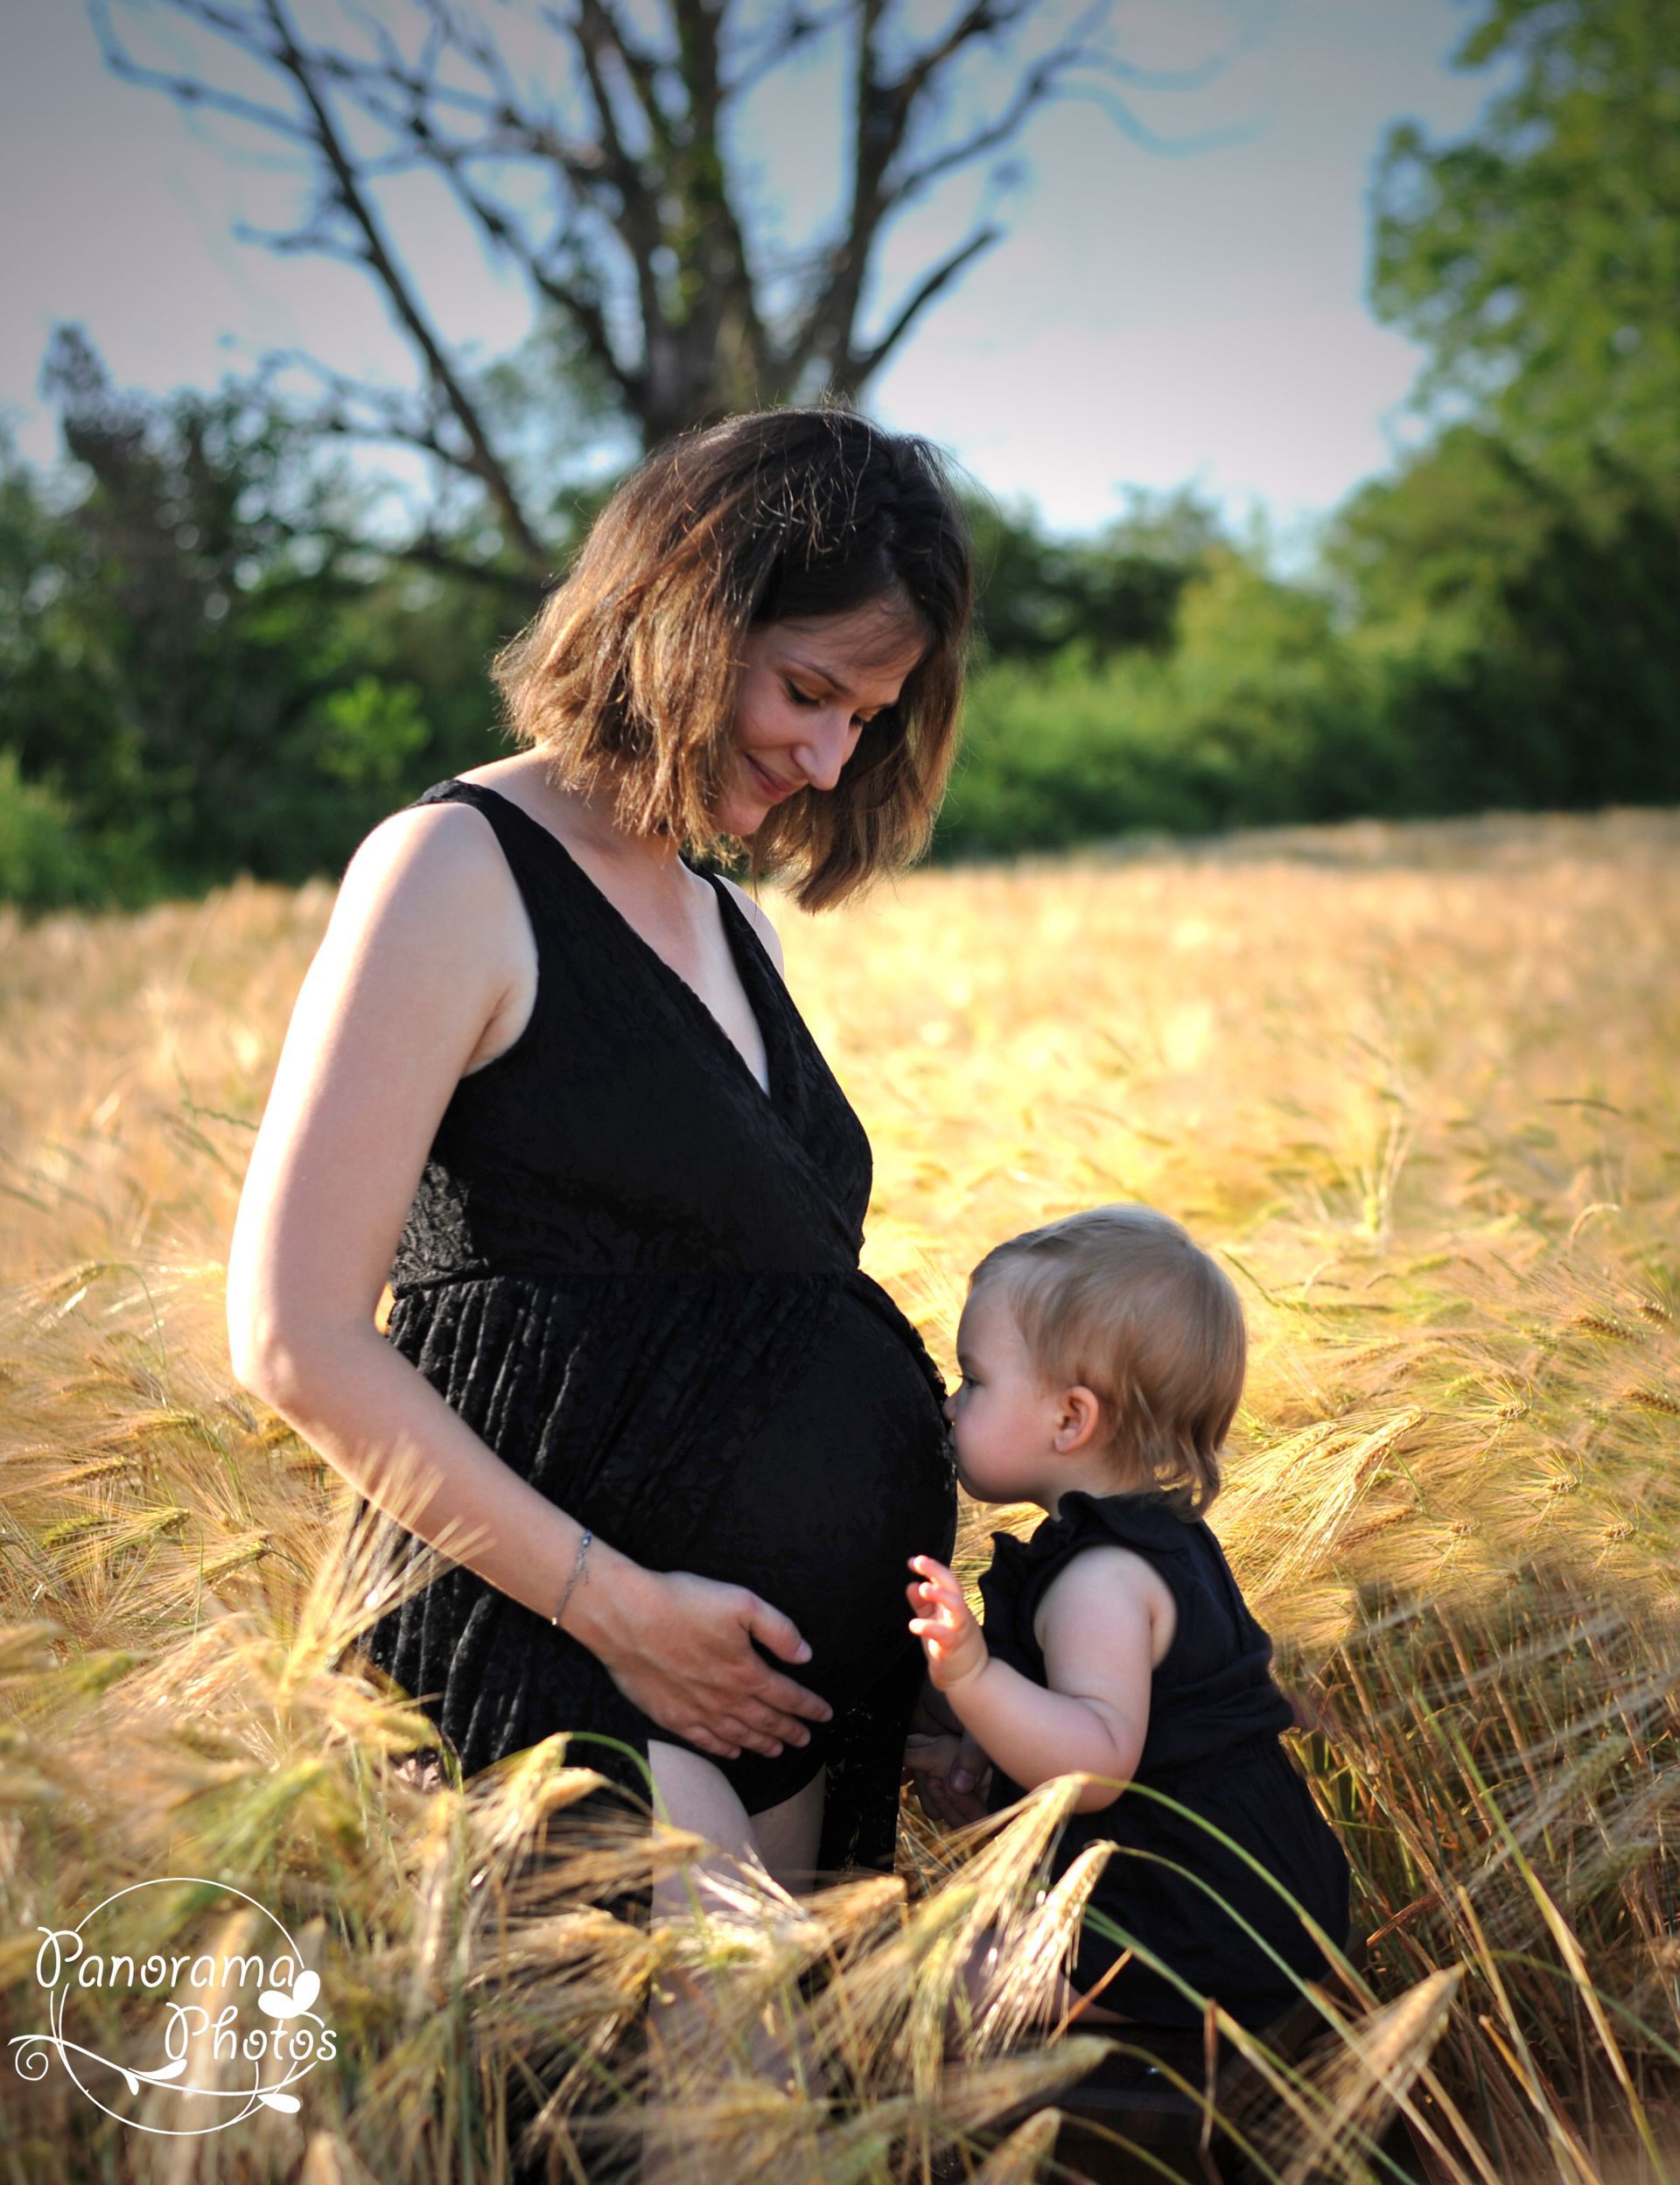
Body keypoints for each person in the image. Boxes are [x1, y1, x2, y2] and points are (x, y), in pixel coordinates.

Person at [226, 406, 971, 1899]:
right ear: (685, 616)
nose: (830, 757)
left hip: (778, 1698)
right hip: (562, 1658)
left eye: (868, 719)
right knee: (722, 2040)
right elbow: (292, 1334)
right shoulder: (454, 869)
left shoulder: (733, 920)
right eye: (809, 691)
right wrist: (619, 1610)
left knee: (795, 2059)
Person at [905, 1204, 1351, 2031]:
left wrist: (973, 1677)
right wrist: (985, 1746)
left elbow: (1097, 1761)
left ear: (1070, 1419)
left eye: (973, 1380)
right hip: (1253, 1893)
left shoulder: (1098, 1580)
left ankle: (1104, 2097)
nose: (951, 1405)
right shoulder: (1156, 1540)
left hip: (1194, 1919)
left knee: (941, 1987)